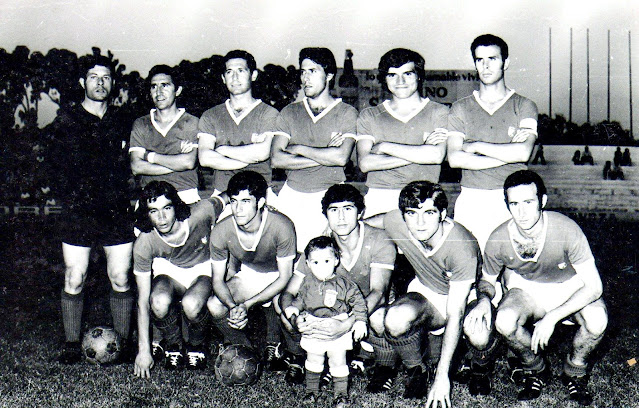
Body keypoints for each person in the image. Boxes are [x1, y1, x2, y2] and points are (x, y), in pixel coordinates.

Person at [464, 170, 608, 405]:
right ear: (507, 206)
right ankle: (535, 368)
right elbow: (487, 281)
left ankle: (575, 371)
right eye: (514, 204)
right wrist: (482, 301)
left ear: (543, 201)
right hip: (528, 289)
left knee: (598, 320)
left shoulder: (566, 229)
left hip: (569, 286)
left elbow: (594, 287)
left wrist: (551, 318)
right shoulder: (499, 237)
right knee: (504, 320)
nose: (521, 212)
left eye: (529, 202)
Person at [48, 56, 135, 364]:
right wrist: (69, 196)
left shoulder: (123, 119)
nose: (100, 83)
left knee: (120, 277)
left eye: (106, 77)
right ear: (82, 82)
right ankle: (72, 343)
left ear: (113, 83)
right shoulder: (66, 120)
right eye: (94, 77)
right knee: (74, 276)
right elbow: (51, 166)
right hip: (80, 211)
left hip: (115, 210)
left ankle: (122, 344)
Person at [368, 181, 480, 406]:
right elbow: (380, 221)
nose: (419, 222)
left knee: (479, 334)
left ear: (442, 214)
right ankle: (417, 369)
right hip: (426, 289)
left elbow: (455, 313)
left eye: (429, 213)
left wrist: (442, 378)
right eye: (411, 213)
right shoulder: (399, 221)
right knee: (386, 319)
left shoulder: (461, 247)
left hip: (461, 296)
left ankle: (474, 363)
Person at [280, 184, 396, 389]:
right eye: (334, 210)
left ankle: (384, 367)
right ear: (326, 214)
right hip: (336, 306)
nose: (341, 217)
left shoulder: (379, 239)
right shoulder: (321, 246)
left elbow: (378, 292)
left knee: (378, 318)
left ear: (360, 212)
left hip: (370, 305)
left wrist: (348, 323)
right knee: (285, 312)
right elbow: (289, 291)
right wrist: (295, 317)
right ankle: (307, 359)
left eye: (348, 209)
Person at [447, 34, 538, 251]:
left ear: (505, 63)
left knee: (510, 267)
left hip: (511, 197)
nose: (485, 66)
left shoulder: (524, 105)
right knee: (472, 266)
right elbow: (454, 158)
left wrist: (476, 146)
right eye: (480, 60)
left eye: (492, 59)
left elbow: (524, 153)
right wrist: (508, 153)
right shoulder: (460, 107)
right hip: (471, 196)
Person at [132, 181, 224, 377]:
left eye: (167, 208)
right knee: (157, 301)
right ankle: (173, 344)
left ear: (176, 206)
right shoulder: (144, 242)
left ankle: (196, 346)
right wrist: (144, 350)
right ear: (146, 213)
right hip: (171, 269)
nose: (162, 217)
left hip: (202, 267)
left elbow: (226, 198)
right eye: (153, 211)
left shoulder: (200, 212)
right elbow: (142, 301)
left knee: (191, 304)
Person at [206, 170, 296, 370]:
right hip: (252, 273)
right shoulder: (221, 230)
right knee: (215, 304)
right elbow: (217, 281)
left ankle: (282, 347)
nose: (238, 209)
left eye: (246, 201)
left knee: (283, 304)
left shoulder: (281, 225)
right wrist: (233, 307)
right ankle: (246, 348)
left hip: (282, 275)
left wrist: (247, 305)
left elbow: (285, 277)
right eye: (234, 201)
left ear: (261, 202)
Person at [271, 47, 358, 252]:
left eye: (313, 71)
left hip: (331, 196)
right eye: (303, 71)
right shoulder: (290, 111)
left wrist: (299, 148)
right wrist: (325, 153)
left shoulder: (347, 112)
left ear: (328, 75)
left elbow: (341, 157)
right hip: (292, 195)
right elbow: (277, 159)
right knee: (288, 260)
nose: (305, 78)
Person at [356, 48, 449, 217]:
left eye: (407, 73)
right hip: (381, 196)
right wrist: (421, 150)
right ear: (385, 79)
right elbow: (365, 163)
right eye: (392, 75)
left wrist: (385, 146)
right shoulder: (369, 115)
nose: (400, 81)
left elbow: (436, 156)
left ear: (418, 76)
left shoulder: (439, 111)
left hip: (424, 198)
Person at [282, 236, 368, 407]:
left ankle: (341, 394)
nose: (321, 267)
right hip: (314, 323)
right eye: (315, 262)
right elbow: (301, 298)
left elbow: (359, 303)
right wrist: (294, 308)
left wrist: (359, 322)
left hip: (338, 322)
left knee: (338, 360)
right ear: (307, 263)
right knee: (314, 358)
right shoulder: (307, 282)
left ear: (336, 260)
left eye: (326, 261)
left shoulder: (345, 285)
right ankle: (311, 391)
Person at [198, 50, 279, 213]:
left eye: (241, 71)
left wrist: (222, 150)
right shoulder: (211, 115)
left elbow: (262, 152)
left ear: (253, 75)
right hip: (223, 194)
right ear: (223, 78)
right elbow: (205, 158)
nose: (235, 77)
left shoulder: (269, 113)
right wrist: (248, 158)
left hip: (261, 195)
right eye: (229, 72)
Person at [129, 65, 200, 205]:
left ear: (177, 90)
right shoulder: (141, 123)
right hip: (150, 196)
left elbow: (188, 162)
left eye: (165, 85)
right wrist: (176, 163)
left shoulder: (191, 122)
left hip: (184, 194)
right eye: (154, 87)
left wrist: (150, 156)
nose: (159, 92)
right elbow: (136, 167)